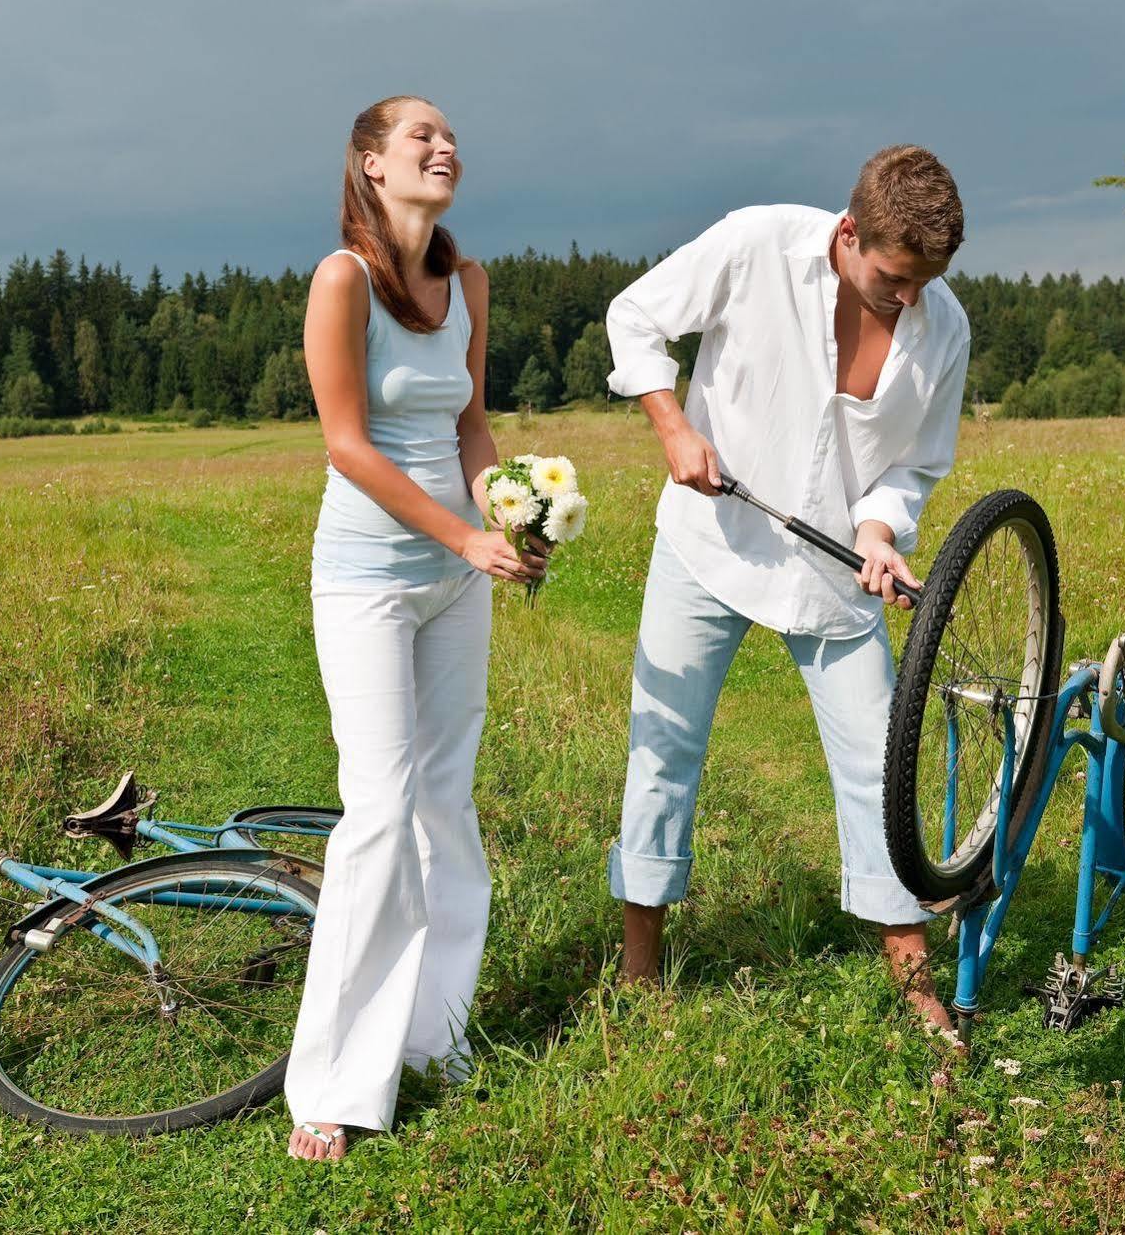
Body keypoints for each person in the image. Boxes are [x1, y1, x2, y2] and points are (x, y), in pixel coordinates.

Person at [604, 145, 972, 1045]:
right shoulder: (756, 242)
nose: (907, 300)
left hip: (830, 576)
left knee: (878, 768)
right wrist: (673, 425)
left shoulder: (943, 325)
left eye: (923, 283)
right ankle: (638, 966)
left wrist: (880, 529)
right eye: (892, 279)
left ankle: (912, 975)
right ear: (849, 235)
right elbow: (635, 318)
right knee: (665, 748)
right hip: (711, 545)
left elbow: (916, 462)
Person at [285, 95, 546, 1162]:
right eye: (418, 137)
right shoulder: (342, 281)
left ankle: (434, 1039)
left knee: (446, 808)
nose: (444, 148)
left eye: (450, 136)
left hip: (455, 577)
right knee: (381, 814)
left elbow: (470, 425)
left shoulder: (468, 281)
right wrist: (457, 532)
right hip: (367, 582)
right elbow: (347, 444)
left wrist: (508, 516)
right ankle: (338, 1083)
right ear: (369, 163)